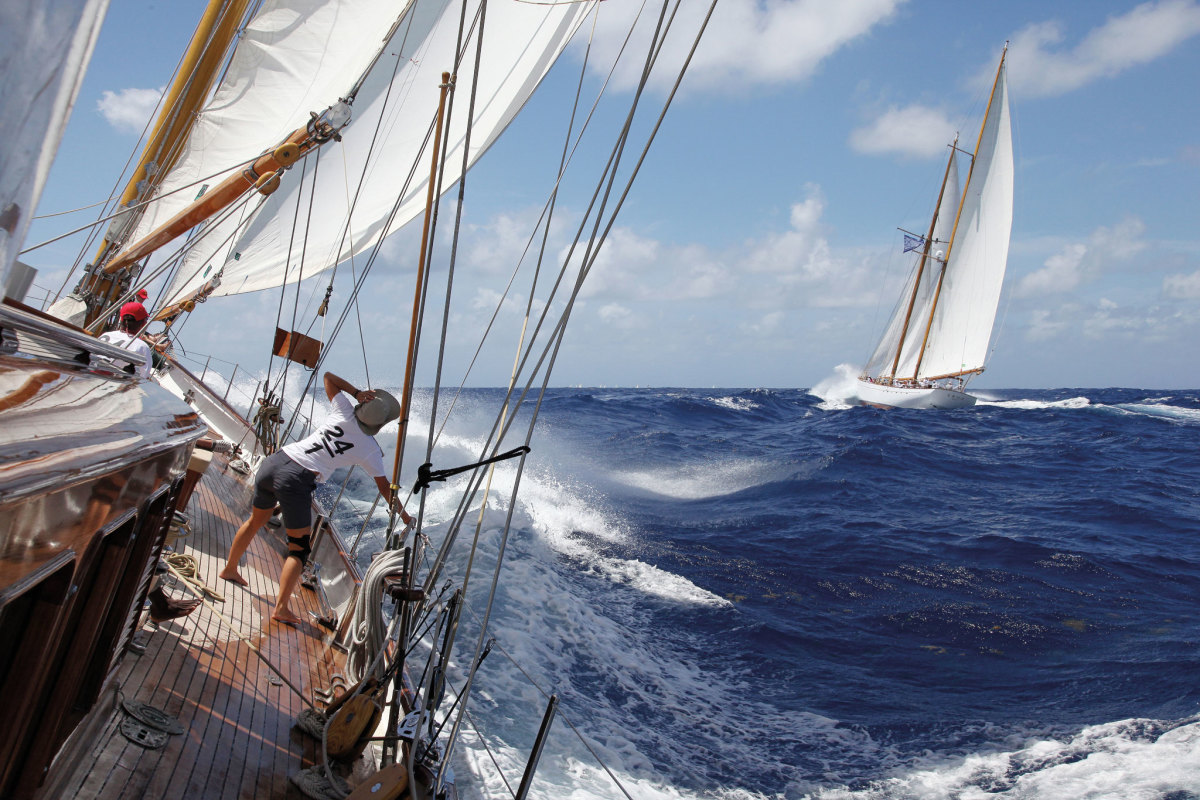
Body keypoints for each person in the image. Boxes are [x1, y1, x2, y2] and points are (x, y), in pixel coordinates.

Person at [220, 372, 411, 625]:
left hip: (275, 462)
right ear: (380, 425)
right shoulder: (370, 450)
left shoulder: (343, 410)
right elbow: (385, 489)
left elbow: (329, 377)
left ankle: (230, 569)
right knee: (299, 550)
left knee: (256, 521)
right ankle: (281, 608)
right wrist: (407, 518)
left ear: (362, 405)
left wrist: (355, 393)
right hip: (296, 479)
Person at [98, 301, 154, 378]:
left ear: (121, 320)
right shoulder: (142, 347)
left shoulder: (106, 335)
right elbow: (142, 377)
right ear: (143, 323)